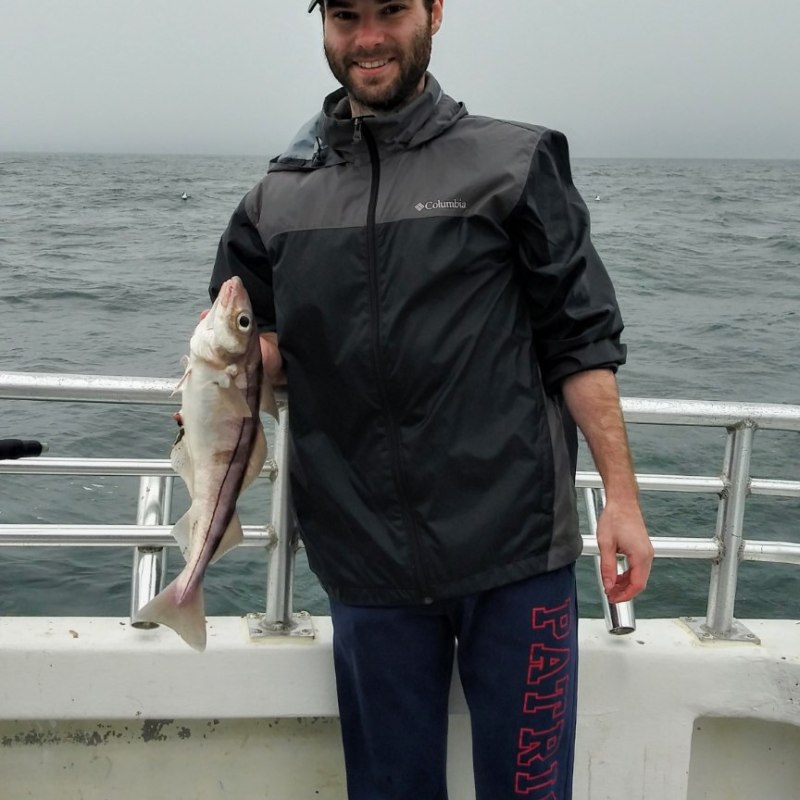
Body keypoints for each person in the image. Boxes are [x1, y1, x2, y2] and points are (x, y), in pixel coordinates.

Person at [210, 1, 653, 797]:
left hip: (516, 553)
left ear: (435, 12)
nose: (368, 38)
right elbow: (253, 337)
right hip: (363, 560)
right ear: (322, 24)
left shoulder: (514, 162)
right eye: (346, 16)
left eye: (392, 10)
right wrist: (223, 374)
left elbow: (581, 342)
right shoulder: (276, 198)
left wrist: (621, 497)